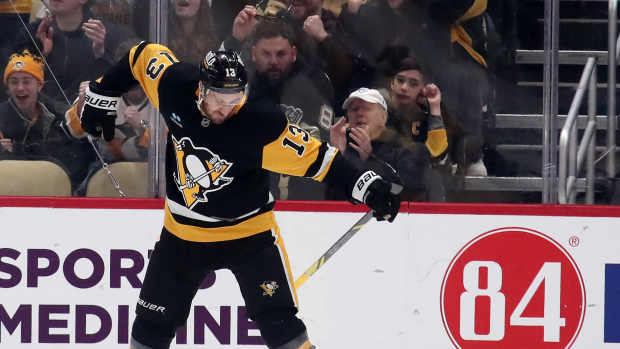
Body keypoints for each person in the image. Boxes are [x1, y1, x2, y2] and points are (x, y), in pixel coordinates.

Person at [78, 42, 401, 349]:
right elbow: (142, 56)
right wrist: (104, 88)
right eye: (218, 98)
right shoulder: (175, 87)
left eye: (234, 99)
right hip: (182, 234)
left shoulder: (261, 124)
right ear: (201, 89)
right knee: (149, 329)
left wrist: (368, 186)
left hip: (249, 235)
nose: (225, 108)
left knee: (281, 325)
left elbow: (321, 161)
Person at [248, 19, 335, 200]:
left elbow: (320, 142)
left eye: (281, 54)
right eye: (266, 54)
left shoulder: (315, 83)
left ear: (293, 53)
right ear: (254, 53)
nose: (273, 61)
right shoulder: (242, 82)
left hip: (304, 189)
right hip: (252, 188)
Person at [0, 49, 94, 191]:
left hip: (51, 189)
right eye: (14, 82)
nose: (20, 88)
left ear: (39, 85)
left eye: (26, 82)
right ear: (8, 87)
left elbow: (74, 150)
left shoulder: (55, 114)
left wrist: (82, 105)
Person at [14, 0, 131, 110]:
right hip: (46, 119)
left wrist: (100, 54)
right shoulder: (33, 32)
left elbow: (124, 85)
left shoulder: (108, 33)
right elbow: (16, 83)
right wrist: (41, 55)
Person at [329, 87, 428, 201]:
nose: (359, 113)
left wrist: (369, 159)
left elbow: (406, 190)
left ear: (383, 117)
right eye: (354, 109)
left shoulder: (407, 151)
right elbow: (329, 196)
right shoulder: (340, 149)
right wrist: (335, 158)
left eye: (366, 108)